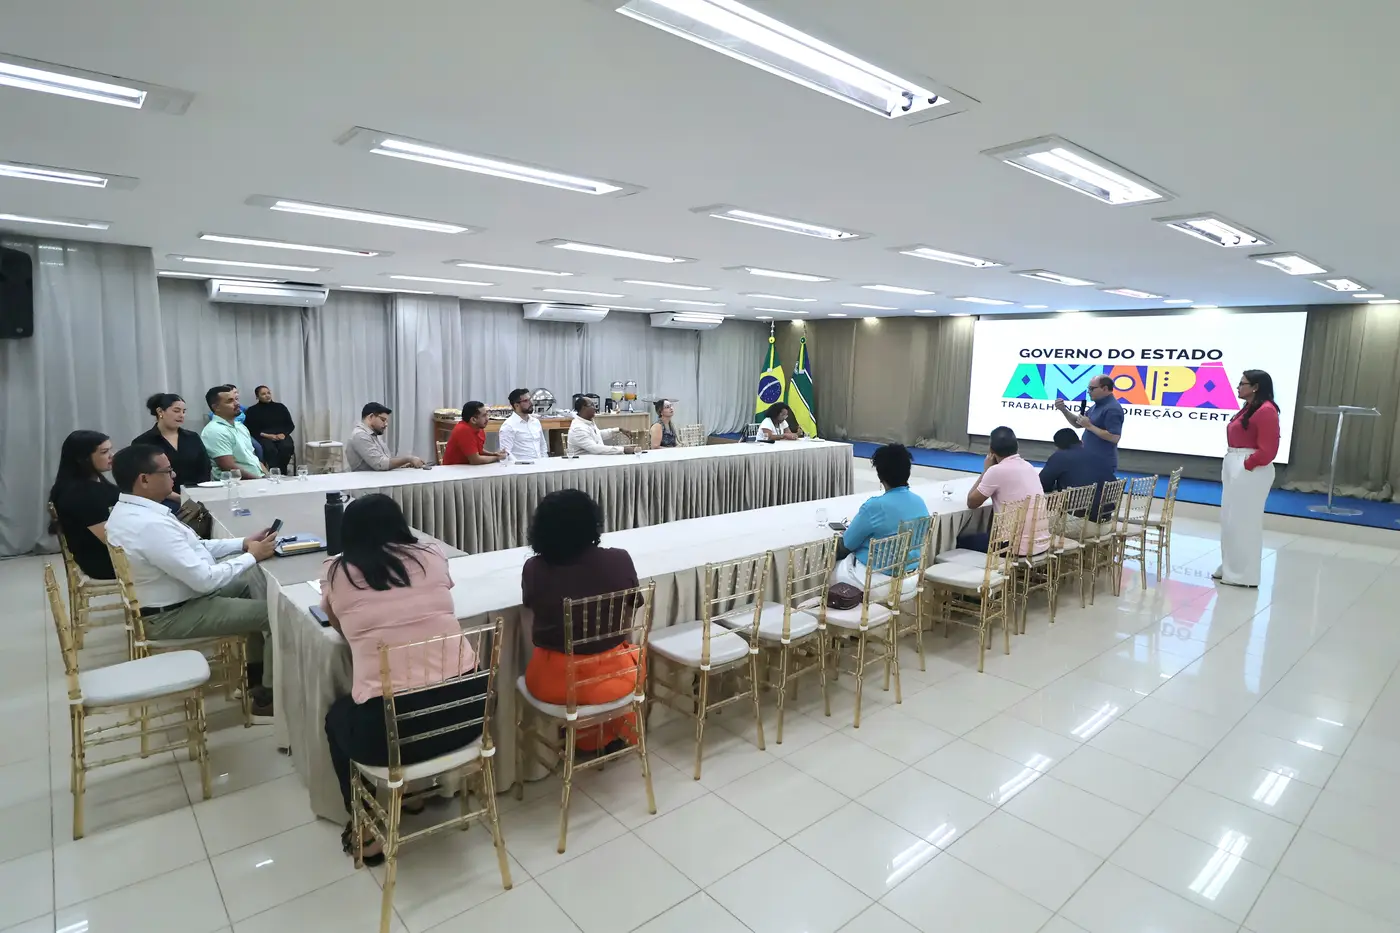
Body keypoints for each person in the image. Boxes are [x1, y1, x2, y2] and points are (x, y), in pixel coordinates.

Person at [321, 495, 483, 863]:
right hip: (468, 716)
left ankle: (365, 827)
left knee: (337, 718)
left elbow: (338, 624)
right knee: (423, 689)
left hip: (391, 738)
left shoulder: (337, 572)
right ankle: (415, 794)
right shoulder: (432, 555)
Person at [104, 444, 277, 716]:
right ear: (144, 479)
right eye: (167, 471)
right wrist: (252, 556)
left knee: (250, 586)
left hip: (176, 597)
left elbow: (195, 547)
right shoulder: (149, 525)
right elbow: (205, 580)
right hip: (172, 614)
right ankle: (267, 697)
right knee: (273, 614)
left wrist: (243, 543)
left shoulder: (131, 511)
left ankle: (254, 675)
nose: (174, 476)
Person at [522, 489, 641, 753]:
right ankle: (603, 736)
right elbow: (633, 607)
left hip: (556, 682)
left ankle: (586, 739)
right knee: (633, 653)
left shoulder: (534, 569)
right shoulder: (619, 559)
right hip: (616, 676)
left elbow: (532, 607)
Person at [833, 443, 930, 592]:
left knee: (830, 570)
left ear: (880, 476)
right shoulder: (920, 502)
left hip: (877, 583)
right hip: (910, 580)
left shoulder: (874, 506)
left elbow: (847, 543)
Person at [1215, 369, 1280, 588]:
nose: (1238, 387)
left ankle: (1242, 574)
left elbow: (1268, 450)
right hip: (1235, 462)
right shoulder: (1249, 408)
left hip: (1249, 468)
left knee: (1243, 521)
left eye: (1242, 383)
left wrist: (1247, 465)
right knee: (1230, 519)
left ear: (1255, 387)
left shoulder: (1266, 410)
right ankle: (1230, 566)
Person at [961, 426, 1050, 556]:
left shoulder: (996, 471)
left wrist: (986, 471)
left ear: (991, 450)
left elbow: (972, 502)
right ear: (1017, 446)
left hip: (1012, 547)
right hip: (1041, 543)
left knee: (961, 541)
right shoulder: (1029, 467)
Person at [48, 431, 120, 580]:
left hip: (102, 554)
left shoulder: (90, 482)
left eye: (110, 450)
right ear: (83, 458)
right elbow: (110, 540)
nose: (112, 456)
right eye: (104, 452)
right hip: (104, 562)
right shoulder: (80, 494)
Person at [133, 393, 211, 500]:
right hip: (162, 499)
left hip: (196, 495)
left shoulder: (192, 437)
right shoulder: (143, 442)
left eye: (184, 411)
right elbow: (145, 479)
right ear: (160, 412)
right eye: (176, 411)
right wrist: (180, 498)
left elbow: (205, 468)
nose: (181, 415)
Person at [1039, 427, 1117, 534]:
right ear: (1080, 442)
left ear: (1058, 447)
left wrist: (1057, 486)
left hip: (1078, 526)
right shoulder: (1099, 456)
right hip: (1106, 524)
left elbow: (1042, 485)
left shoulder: (1060, 457)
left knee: (1036, 525)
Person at [1055, 374, 1123, 471]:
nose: (1089, 392)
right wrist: (1063, 410)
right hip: (1089, 460)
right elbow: (1078, 423)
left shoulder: (1112, 408)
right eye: (1088, 389)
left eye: (1092, 389)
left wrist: (1089, 426)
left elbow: (1114, 437)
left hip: (1101, 463)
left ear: (1104, 388)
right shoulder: (1097, 405)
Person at [201, 385, 265, 479]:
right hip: (237, 483)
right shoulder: (214, 430)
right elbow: (228, 467)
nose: (237, 403)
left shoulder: (240, 427)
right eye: (230, 401)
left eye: (236, 399)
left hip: (257, 480)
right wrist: (259, 480)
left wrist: (268, 477)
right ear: (216, 407)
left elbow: (254, 459)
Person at [345, 403, 425, 471]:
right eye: (383, 420)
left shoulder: (373, 435)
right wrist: (408, 459)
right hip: (367, 483)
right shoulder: (360, 435)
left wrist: (402, 465)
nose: (386, 424)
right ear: (371, 417)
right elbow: (380, 464)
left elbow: (386, 460)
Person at [244, 385, 296, 474]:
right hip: (264, 437)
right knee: (270, 449)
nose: (267, 395)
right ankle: (274, 472)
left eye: (268, 393)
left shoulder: (280, 407)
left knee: (286, 447)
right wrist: (267, 435)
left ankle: (282, 472)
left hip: (281, 436)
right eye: (263, 394)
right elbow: (250, 429)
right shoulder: (252, 410)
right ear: (257, 397)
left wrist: (283, 434)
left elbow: (290, 425)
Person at [442, 401, 506, 465]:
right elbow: (475, 460)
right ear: (473, 420)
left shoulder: (479, 428)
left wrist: (493, 454)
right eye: (484, 416)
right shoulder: (463, 430)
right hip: (453, 469)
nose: (487, 418)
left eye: (487, 414)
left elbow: (478, 450)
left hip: (467, 467)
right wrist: (497, 458)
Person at [567, 395, 633, 456]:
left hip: (596, 460)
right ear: (583, 408)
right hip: (585, 463)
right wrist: (623, 450)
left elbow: (597, 435)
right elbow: (595, 448)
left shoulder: (588, 422)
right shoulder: (578, 428)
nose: (595, 408)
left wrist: (619, 430)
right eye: (592, 405)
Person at [498, 388, 549, 461]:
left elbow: (542, 445)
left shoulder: (536, 422)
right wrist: (519, 465)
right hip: (520, 466)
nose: (530, 403)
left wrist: (544, 461)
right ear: (516, 405)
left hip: (540, 464)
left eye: (530, 399)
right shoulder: (508, 426)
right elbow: (506, 453)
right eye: (526, 401)